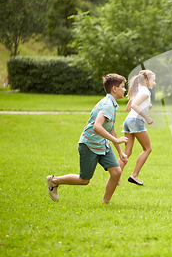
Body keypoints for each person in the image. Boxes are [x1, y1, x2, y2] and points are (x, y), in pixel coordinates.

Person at [46, 74, 129, 204]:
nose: (124, 90)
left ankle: (105, 203)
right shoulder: (107, 105)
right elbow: (97, 127)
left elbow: (111, 129)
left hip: (102, 144)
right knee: (84, 180)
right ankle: (54, 181)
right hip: (89, 145)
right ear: (114, 89)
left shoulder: (112, 105)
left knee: (116, 172)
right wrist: (117, 141)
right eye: (123, 87)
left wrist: (120, 152)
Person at [120, 70, 156, 186]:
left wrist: (146, 105)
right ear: (146, 80)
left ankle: (115, 177)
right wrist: (147, 117)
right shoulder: (145, 92)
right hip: (136, 121)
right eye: (153, 80)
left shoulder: (138, 91)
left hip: (128, 121)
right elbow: (134, 106)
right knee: (147, 149)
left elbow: (128, 107)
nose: (154, 83)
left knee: (127, 152)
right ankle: (134, 175)